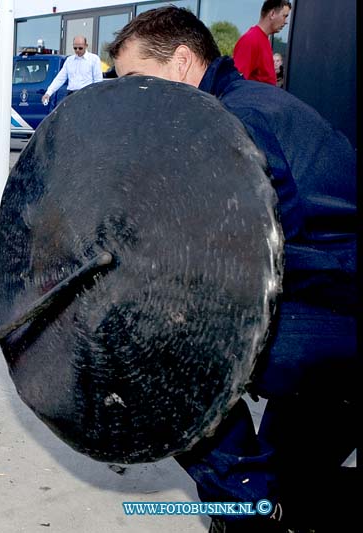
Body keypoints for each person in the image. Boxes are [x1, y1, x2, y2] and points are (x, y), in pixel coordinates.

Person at [108, 7, 356, 532]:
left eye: (134, 80)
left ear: (180, 63)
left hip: (332, 311)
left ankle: (248, 514)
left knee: (162, 362)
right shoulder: (243, 104)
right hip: (330, 297)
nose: (127, 98)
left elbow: (256, 250)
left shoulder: (237, 122)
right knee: (285, 490)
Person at [232, 0, 291, 85]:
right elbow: (236, 83)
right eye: (284, 16)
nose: (286, 22)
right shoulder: (251, 40)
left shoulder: (264, 40)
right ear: (272, 14)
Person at [41, 35, 103, 105]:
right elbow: (60, 78)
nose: (77, 50)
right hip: (71, 95)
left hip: (87, 95)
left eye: (80, 48)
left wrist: (95, 97)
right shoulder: (69, 60)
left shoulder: (94, 59)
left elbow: (98, 81)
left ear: (86, 46)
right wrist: (48, 93)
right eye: (75, 48)